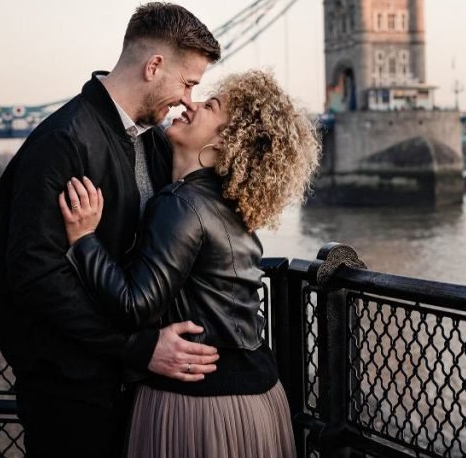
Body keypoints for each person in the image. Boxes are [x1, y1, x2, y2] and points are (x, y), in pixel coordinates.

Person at [0, 3, 224, 457]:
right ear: (154, 66)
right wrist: (139, 348)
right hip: (69, 386)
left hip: (125, 382)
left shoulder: (153, 141)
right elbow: (36, 278)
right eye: (188, 83)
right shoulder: (62, 142)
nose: (189, 100)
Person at [59, 69, 319, 456]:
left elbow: (134, 305)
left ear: (221, 144)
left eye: (209, 105)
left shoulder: (180, 204)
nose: (189, 103)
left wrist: (84, 241)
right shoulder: (232, 209)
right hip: (260, 400)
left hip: (199, 405)